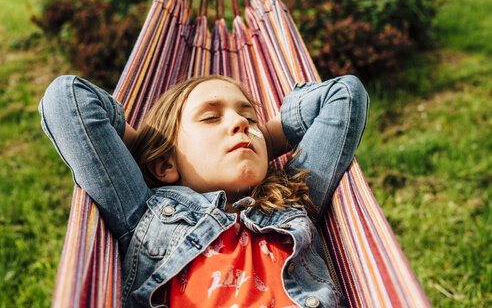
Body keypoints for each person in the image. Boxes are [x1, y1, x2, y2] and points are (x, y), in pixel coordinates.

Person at [39, 74, 369, 308]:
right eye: (211, 117)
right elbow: (67, 98)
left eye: (250, 117)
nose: (240, 124)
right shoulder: (143, 213)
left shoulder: (294, 195)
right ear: (165, 166)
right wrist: (150, 150)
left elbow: (346, 95)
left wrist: (260, 141)